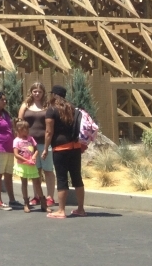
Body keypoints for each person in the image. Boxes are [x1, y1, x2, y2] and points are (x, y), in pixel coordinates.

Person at [43, 84, 86, 218]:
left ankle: (61, 210)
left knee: (62, 179)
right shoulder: (73, 109)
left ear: (54, 95)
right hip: (75, 147)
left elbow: (49, 132)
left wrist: (45, 148)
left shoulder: (51, 110)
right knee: (77, 178)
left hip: (60, 148)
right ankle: (81, 209)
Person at [18, 81, 56, 209]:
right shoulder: (26, 105)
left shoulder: (47, 105)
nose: (37, 94)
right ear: (31, 92)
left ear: (43, 93)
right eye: (35, 91)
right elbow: (19, 123)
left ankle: (50, 196)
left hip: (45, 142)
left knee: (48, 170)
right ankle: (37, 196)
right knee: (36, 171)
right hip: (29, 144)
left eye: (40, 92)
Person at [12, 119, 43, 213]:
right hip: (23, 165)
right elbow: (16, 154)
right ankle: (26, 203)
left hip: (31, 165)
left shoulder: (30, 139)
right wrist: (26, 160)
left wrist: (34, 156)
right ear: (19, 130)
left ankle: (43, 203)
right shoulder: (16, 141)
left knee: (37, 182)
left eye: (27, 129)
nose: (27, 131)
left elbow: (36, 149)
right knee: (24, 183)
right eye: (24, 129)